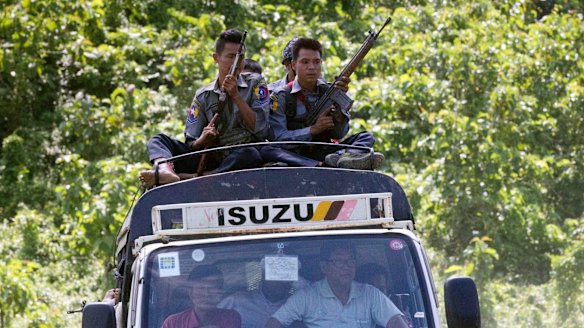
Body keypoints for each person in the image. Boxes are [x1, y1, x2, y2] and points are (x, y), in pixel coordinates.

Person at [139, 29, 269, 188]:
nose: (237, 62)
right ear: (216, 58)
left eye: (240, 57)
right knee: (158, 140)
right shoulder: (203, 95)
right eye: (230, 57)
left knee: (250, 155)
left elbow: (260, 128)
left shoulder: (256, 83)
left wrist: (236, 95)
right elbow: (191, 141)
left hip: (240, 156)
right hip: (212, 157)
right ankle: (164, 170)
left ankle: (192, 178)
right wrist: (203, 139)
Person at [268, 37, 385, 169]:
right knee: (269, 150)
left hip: (326, 151)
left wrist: (339, 111)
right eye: (305, 62)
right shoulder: (281, 96)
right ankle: (325, 164)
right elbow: (278, 138)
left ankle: (343, 158)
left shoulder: (328, 90)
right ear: (293, 65)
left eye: (316, 62)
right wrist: (313, 130)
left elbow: (339, 134)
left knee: (365, 137)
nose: (311, 67)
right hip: (296, 155)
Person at [265, 241, 409, 328]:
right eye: (339, 261)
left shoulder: (370, 294)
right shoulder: (307, 296)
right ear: (323, 267)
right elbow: (275, 322)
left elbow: (397, 323)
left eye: (350, 261)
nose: (346, 267)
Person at [217, 259, 294, 328]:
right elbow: (212, 318)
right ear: (264, 276)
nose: (281, 281)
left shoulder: (297, 305)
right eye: (275, 275)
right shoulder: (237, 300)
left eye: (286, 276)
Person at [162, 265, 241, 328]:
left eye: (212, 288)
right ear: (190, 293)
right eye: (201, 288)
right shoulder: (173, 323)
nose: (206, 294)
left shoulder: (230, 317)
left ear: (220, 293)